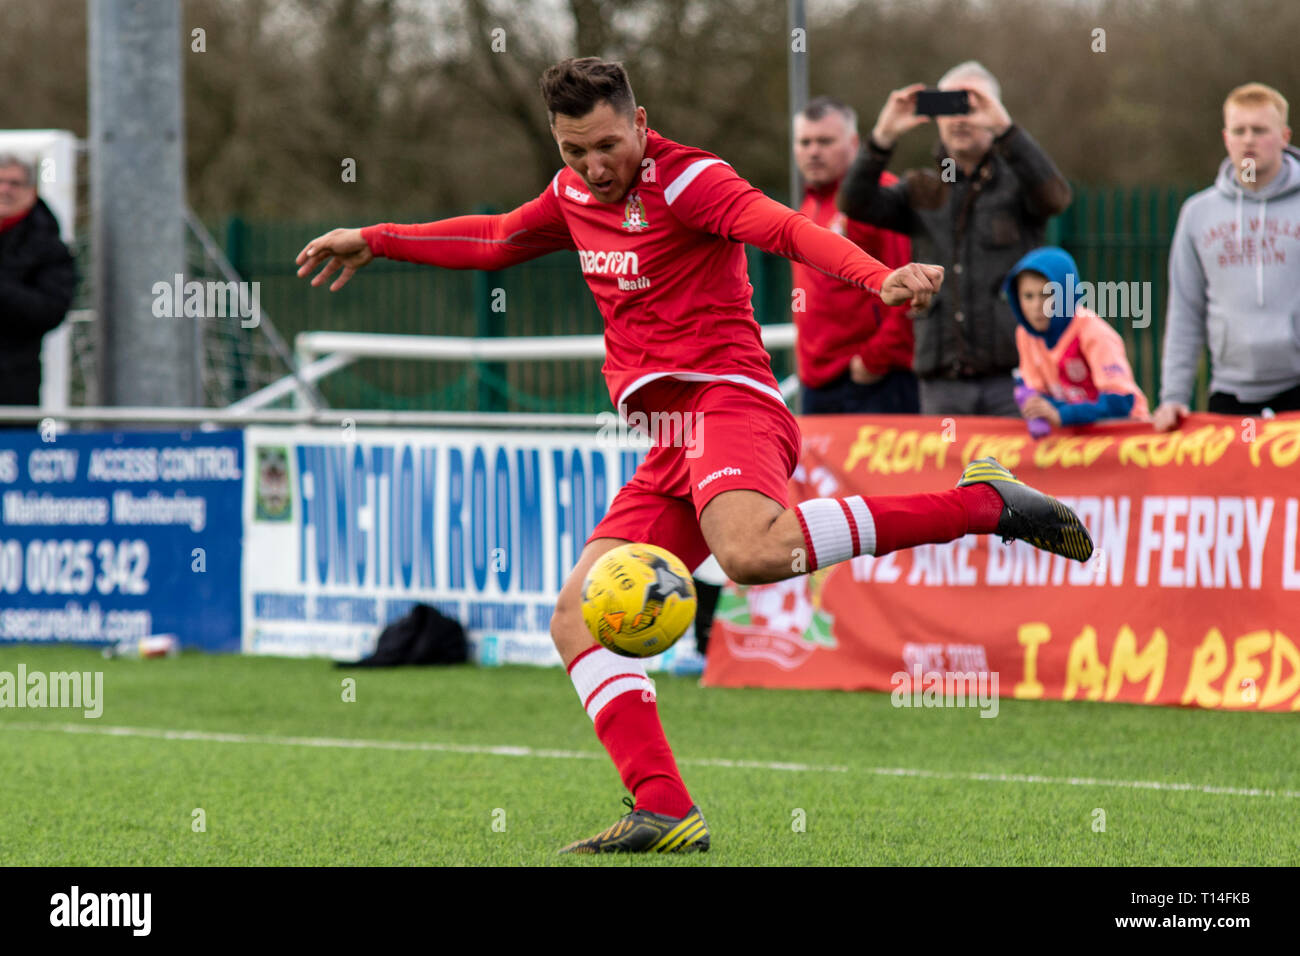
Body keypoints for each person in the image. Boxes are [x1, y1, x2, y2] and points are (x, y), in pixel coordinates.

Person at [296, 57, 1092, 854]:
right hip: (668, 440)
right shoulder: (572, 194)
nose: (593, 167)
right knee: (575, 619)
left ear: (641, 124)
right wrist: (376, 238)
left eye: (607, 144)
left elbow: (782, 227)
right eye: (573, 151)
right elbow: (499, 239)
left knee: (748, 554)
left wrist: (874, 278)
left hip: (729, 404)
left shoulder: (691, 181)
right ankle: (664, 809)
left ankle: (985, 504)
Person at [840, 61, 1072, 417]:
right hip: (941, 383)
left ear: (995, 113)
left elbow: (1056, 198)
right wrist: (882, 137)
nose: (960, 118)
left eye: (972, 106)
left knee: (1013, 475)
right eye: (949, 107)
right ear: (936, 116)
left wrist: (1007, 131)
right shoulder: (922, 189)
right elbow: (855, 203)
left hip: (1014, 380)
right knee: (947, 476)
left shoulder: (1019, 185)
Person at [1153, 82, 1300, 431]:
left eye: (1260, 130)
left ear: (1283, 135)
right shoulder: (1198, 213)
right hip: (1229, 395)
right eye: (1240, 130)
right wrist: (1173, 396)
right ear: (1225, 138)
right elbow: (1185, 311)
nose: (1248, 139)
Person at [792, 96, 917, 414]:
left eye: (825, 141)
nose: (813, 151)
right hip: (816, 383)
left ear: (853, 143)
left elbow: (911, 287)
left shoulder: (879, 199)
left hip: (871, 382)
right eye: (805, 142)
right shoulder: (807, 207)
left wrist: (874, 361)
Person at [1004, 247, 1149, 434]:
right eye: (1028, 296)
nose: (1036, 306)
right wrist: (1036, 405)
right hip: (1075, 438)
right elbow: (1038, 395)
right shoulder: (1025, 334)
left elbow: (1121, 402)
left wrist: (1064, 415)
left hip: (1123, 436)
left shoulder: (1094, 333)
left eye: (1047, 295)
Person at [0, 153, 76, 407]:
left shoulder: (48, 246)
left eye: (14, 183)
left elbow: (51, 310)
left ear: (32, 191)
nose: (5, 190)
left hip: (12, 385)